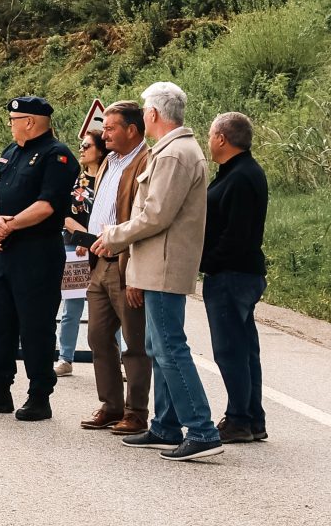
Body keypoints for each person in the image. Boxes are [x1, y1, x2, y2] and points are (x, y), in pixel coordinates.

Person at [91, 81, 218, 461]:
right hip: (153, 263)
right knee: (155, 347)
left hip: (164, 264)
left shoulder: (175, 154)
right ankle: (165, 425)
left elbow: (155, 214)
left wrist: (114, 235)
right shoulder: (171, 151)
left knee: (170, 348)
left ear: (151, 115)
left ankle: (201, 429)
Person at [0, 96, 77, 421]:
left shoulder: (56, 156)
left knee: (35, 326)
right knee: (1, 323)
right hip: (6, 251)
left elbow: (48, 205)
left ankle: (39, 395)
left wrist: (8, 225)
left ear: (29, 121)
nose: (10, 124)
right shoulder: (10, 151)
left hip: (37, 253)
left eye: (13, 119)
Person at [80, 102, 152, 434]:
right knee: (97, 336)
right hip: (100, 261)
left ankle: (136, 411)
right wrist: (88, 237)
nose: (104, 133)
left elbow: (143, 221)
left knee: (134, 342)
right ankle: (111, 405)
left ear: (132, 130)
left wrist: (136, 270)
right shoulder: (109, 160)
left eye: (110, 128)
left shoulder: (146, 161)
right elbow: (103, 207)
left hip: (125, 262)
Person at [200, 112, 270, 443]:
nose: (209, 141)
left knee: (230, 350)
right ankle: (253, 418)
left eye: (211, 135)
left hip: (232, 273)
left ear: (222, 139)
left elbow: (236, 235)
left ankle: (239, 418)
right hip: (239, 271)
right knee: (244, 349)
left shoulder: (241, 177)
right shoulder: (236, 172)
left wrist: (206, 262)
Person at [55, 131, 106, 375]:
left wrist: (94, 240)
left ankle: (114, 357)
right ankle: (65, 357)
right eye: (81, 145)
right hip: (73, 248)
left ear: (100, 149)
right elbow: (65, 216)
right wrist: (86, 238)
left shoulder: (111, 179)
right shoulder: (75, 180)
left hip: (105, 248)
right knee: (71, 307)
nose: (82, 149)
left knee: (108, 307)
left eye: (87, 145)